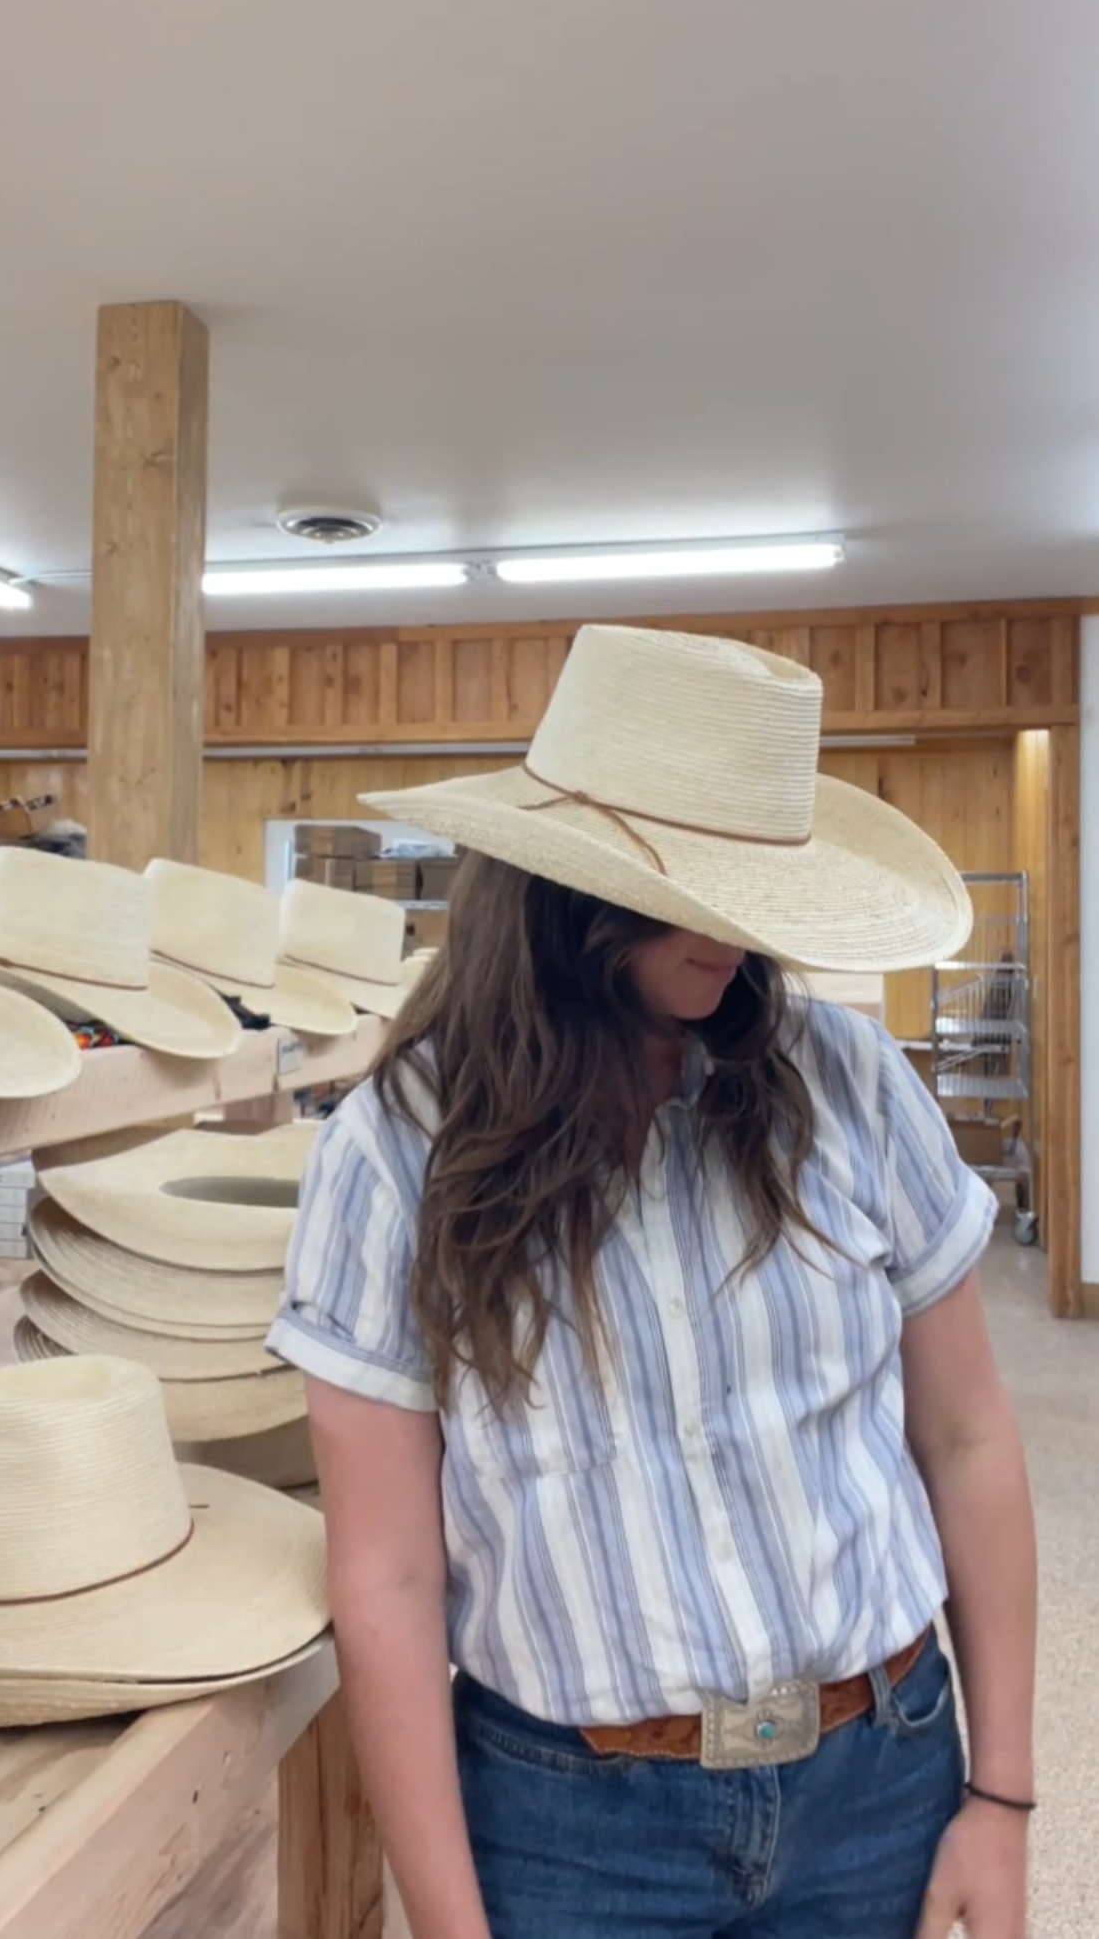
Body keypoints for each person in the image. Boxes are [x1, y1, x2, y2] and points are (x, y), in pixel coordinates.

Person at [268, 626, 1036, 1939]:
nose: (742, 940)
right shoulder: (397, 1151)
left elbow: (965, 1436)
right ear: (566, 892)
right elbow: (386, 1574)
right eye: (700, 889)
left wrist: (1002, 1802)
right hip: (570, 1823)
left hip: (881, 1775)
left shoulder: (842, 1080)